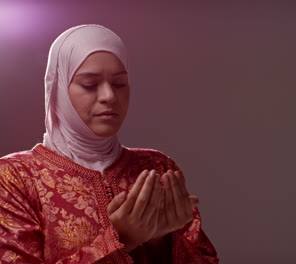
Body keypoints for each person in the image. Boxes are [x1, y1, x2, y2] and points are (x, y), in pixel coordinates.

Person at [0, 24, 219, 263]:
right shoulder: (15, 177)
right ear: (58, 88)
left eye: (118, 84)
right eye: (89, 84)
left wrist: (162, 240)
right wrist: (121, 239)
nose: (109, 96)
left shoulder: (157, 167)